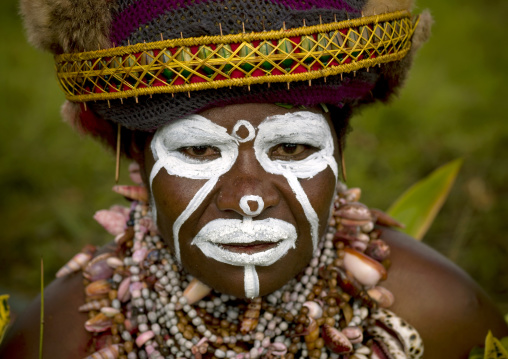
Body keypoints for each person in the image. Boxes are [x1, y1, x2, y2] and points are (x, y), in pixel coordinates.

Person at [1, 0, 507, 358]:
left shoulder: (443, 322)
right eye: (198, 149)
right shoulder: (54, 342)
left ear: (341, 149)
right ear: (136, 153)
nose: (248, 197)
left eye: (292, 147)